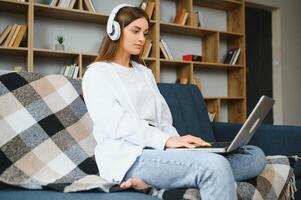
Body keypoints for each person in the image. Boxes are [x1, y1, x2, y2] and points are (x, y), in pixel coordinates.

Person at [82, 4, 266, 200]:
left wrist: (178, 144)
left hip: (162, 151)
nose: (142, 39)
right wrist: (166, 141)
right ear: (115, 31)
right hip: (131, 157)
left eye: (145, 33)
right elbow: (117, 124)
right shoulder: (97, 73)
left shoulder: (144, 73)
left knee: (254, 155)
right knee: (216, 165)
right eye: (135, 31)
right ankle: (184, 174)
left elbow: (163, 120)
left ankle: (159, 179)